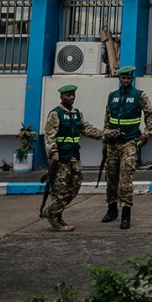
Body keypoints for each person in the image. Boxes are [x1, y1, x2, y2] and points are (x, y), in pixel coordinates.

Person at [41, 83, 106, 232]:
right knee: (60, 191)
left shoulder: (77, 114)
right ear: (61, 96)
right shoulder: (55, 114)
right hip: (61, 159)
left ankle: (51, 211)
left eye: (73, 95)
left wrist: (106, 134)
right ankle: (56, 219)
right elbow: (49, 137)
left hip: (74, 158)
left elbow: (88, 130)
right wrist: (54, 156)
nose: (71, 97)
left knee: (75, 187)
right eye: (68, 95)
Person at [101, 65, 152, 230]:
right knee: (111, 178)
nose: (125, 81)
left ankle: (126, 214)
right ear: (119, 78)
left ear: (132, 79)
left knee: (125, 180)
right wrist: (105, 139)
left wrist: (146, 133)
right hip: (113, 144)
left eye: (128, 78)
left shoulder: (139, 95)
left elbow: (150, 113)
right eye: (123, 78)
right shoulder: (112, 96)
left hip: (130, 142)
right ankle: (111, 210)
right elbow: (107, 118)